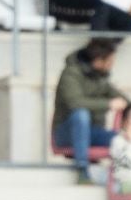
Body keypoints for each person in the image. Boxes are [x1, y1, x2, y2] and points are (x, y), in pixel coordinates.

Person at [52, 39, 124, 184]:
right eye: (109, 61)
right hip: (65, 133)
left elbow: (119, 96)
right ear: (98, 61)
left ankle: (123, 176)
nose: (112, 65)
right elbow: (75, 102)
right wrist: (109, 104)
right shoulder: (70, 74)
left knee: (121, 138)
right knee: (81, 115)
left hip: (93, 132)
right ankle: (82, 171)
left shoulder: (100, 77)